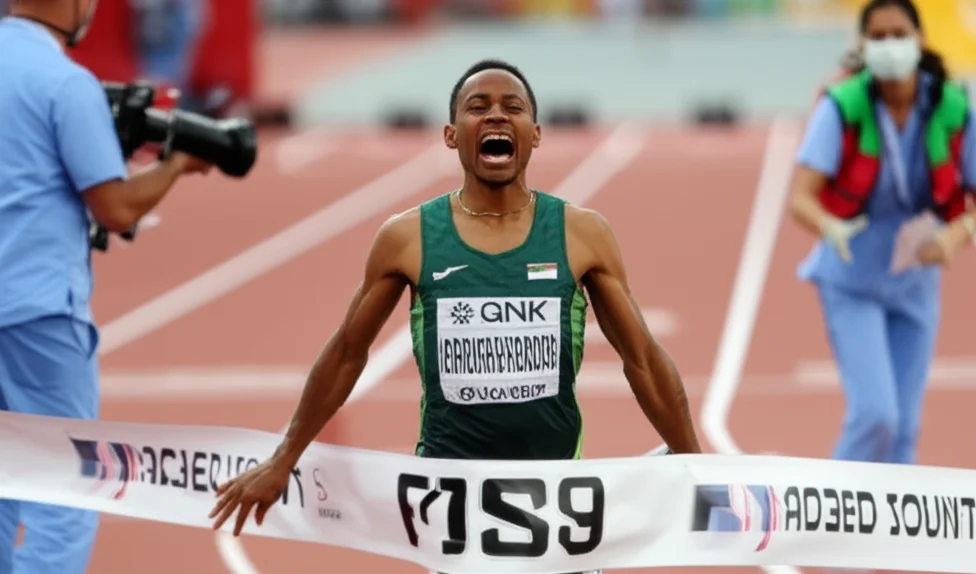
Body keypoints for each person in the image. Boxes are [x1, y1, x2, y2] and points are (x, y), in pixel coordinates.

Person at [208, 58, 703, 568]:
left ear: (535, 135)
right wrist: (285, 458)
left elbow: (642, 360)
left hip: (557, 505)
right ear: (451, 134)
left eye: (513, 108)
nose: (495, 117)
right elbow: (346, 354)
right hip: (453, 509)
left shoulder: (581, 234)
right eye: (477, 107)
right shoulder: (409, 238)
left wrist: (700, 468)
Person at [0, 2, 211, 572]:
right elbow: (115, 207)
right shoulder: (66, 83)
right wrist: (173, 167)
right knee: (71, 483)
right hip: (39, 312)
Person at [788, 0, 976, 467]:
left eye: (898, 34)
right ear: (863, 48)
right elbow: (800, 196)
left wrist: (957, 234)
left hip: (915, 279)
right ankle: (832, 519)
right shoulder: (843, 106)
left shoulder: (950, 106)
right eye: (878, 37)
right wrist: (829, 226)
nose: (890, 45)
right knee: (875, 416)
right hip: (852, 277)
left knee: (905, 429)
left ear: (920, 40)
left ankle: (896, 540)